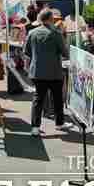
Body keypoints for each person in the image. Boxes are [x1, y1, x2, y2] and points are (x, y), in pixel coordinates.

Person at [23, 9, 73, 137]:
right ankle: (59, 123)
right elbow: (65, 53)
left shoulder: (32, 32)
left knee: (38, 99)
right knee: (57, 98)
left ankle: (35, 127)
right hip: (54, 71)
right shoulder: (56, 33)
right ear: (50, 19)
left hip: (37, 71)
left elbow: (27, 52)